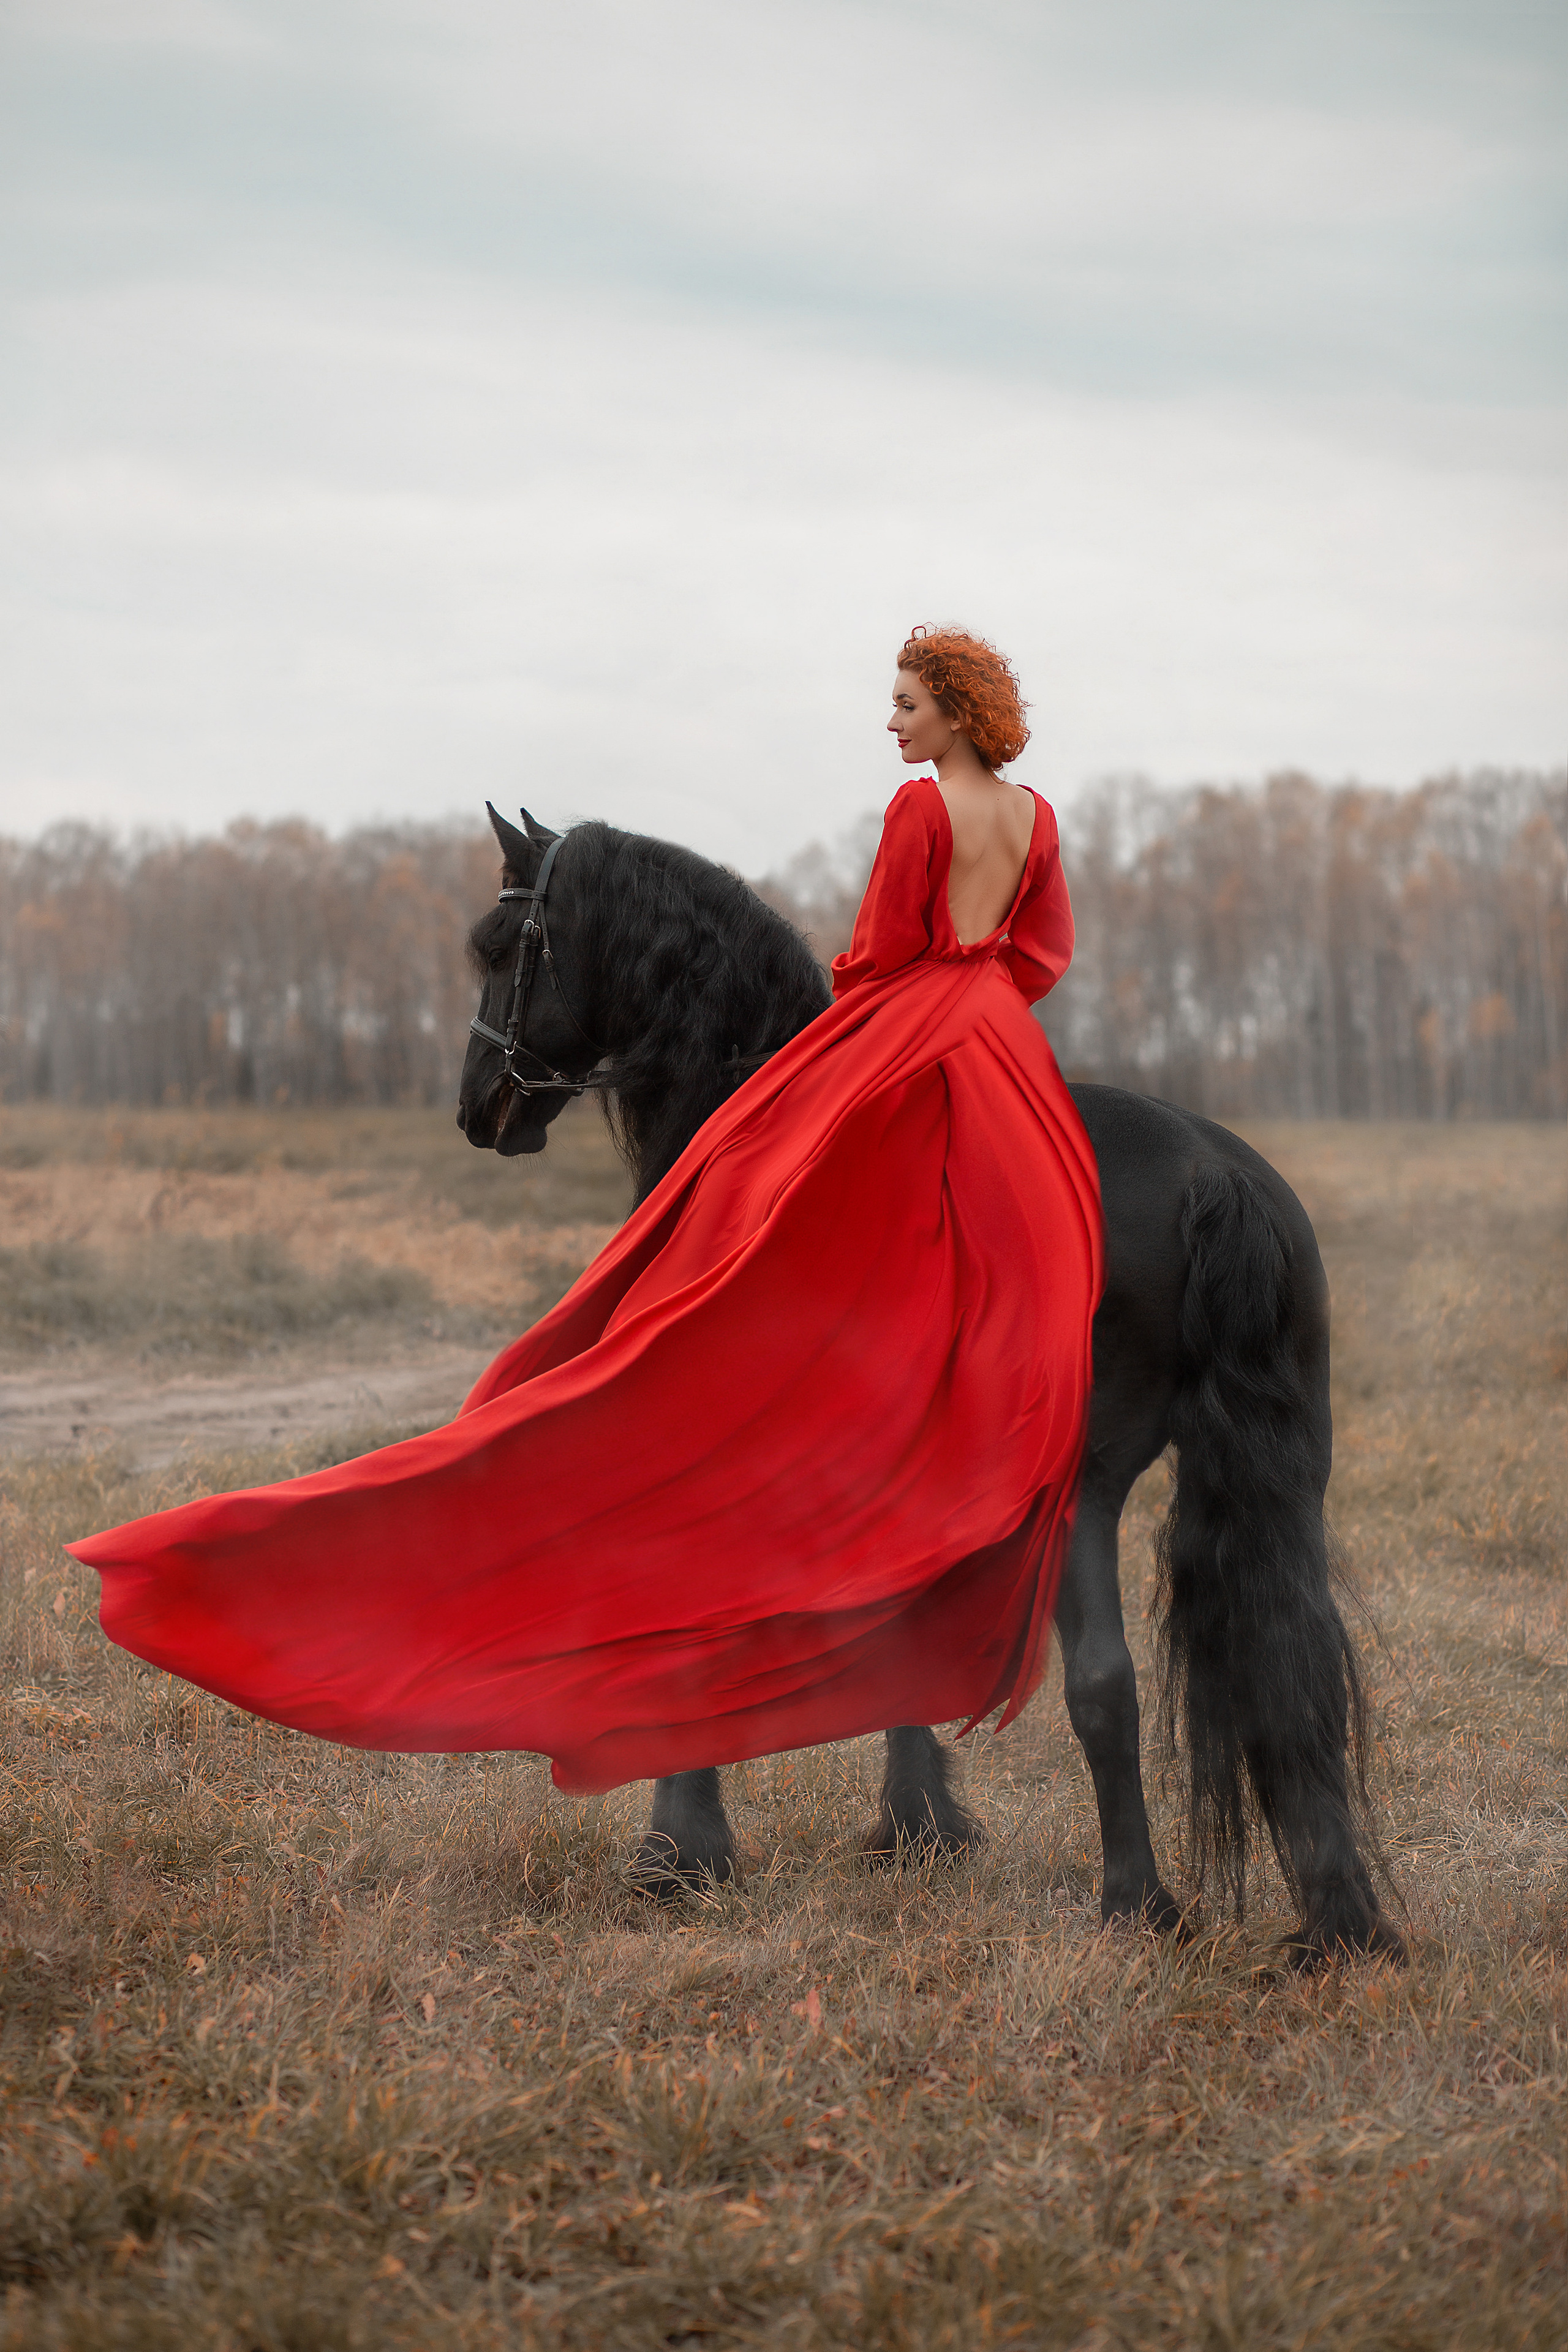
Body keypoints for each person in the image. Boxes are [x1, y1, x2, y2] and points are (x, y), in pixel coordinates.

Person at [69, 628, 1104, 1793]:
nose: (894, 722)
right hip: (998, 1045)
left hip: (909, 1020)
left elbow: (882, 952)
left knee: (753, 1185)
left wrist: (878, 1001)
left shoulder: (922, 812)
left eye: (908, 703)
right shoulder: (1039, 818)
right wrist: (978, 1008)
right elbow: (1040, 953)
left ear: (955, 715)